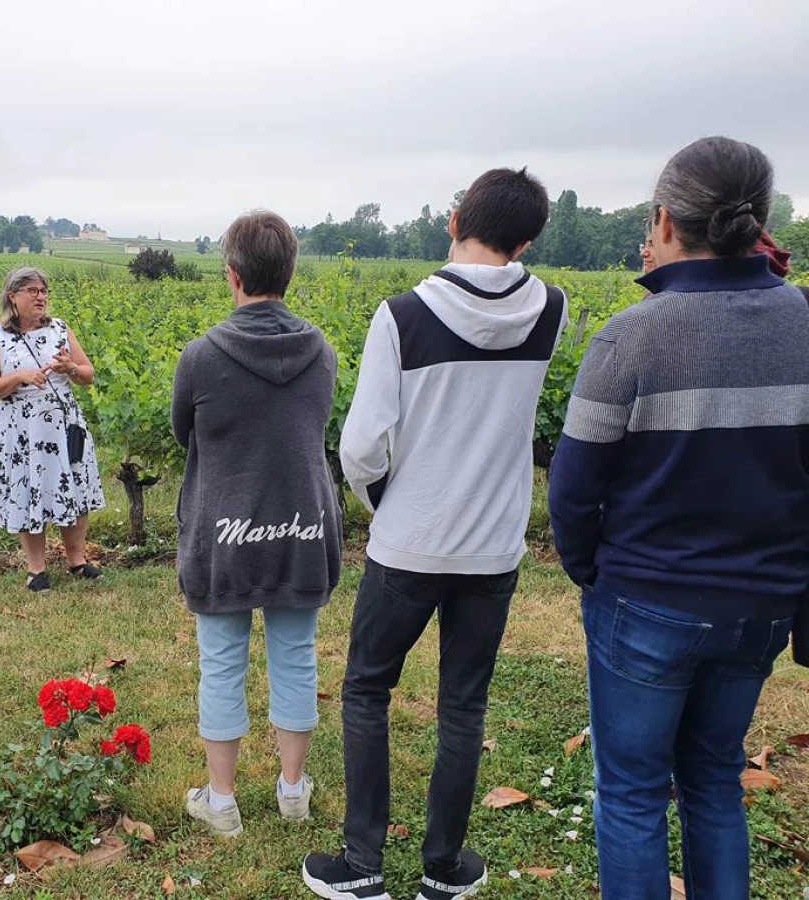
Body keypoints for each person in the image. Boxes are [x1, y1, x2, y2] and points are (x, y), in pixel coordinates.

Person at [549, 136, 809, 900]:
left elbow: (572, 487)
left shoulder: (631, 336)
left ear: (664, 221)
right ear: (756, 220)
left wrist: (590, 568)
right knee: (715, 782)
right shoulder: (804, 324)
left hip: (645, 600)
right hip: (760, 605)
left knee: (632, 793)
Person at [303, 168, 566, 900]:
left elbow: (359, 447)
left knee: (367, 691)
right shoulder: (553, 310)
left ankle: (361, 866)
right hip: (494, 547)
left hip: (408, 543)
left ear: (454, 219)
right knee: (463, 705)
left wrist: (387, 501)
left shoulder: (403, 315)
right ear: (528, 240)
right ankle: (444, 867)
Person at [172, 210, 342, 838]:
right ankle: (293, 790)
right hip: (302, 528)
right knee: (295, 656)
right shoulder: (319, 351)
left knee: (221, 662)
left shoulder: (200, 357)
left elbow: (183, 430)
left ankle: (222, 802)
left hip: (224, 534)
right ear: (289, 273)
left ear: (232, 275)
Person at [0, 267, 105, 592]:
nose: (40, 297)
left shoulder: (60, 329)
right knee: (29, 490)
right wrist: (19, 377)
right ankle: (37, 568)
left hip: (65, 426)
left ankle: (76, 560)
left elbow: (87, 374)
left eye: (43, 291)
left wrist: (71, 368)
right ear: (13, 297)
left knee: (73, 487)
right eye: (32, 291)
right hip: (23, 432)